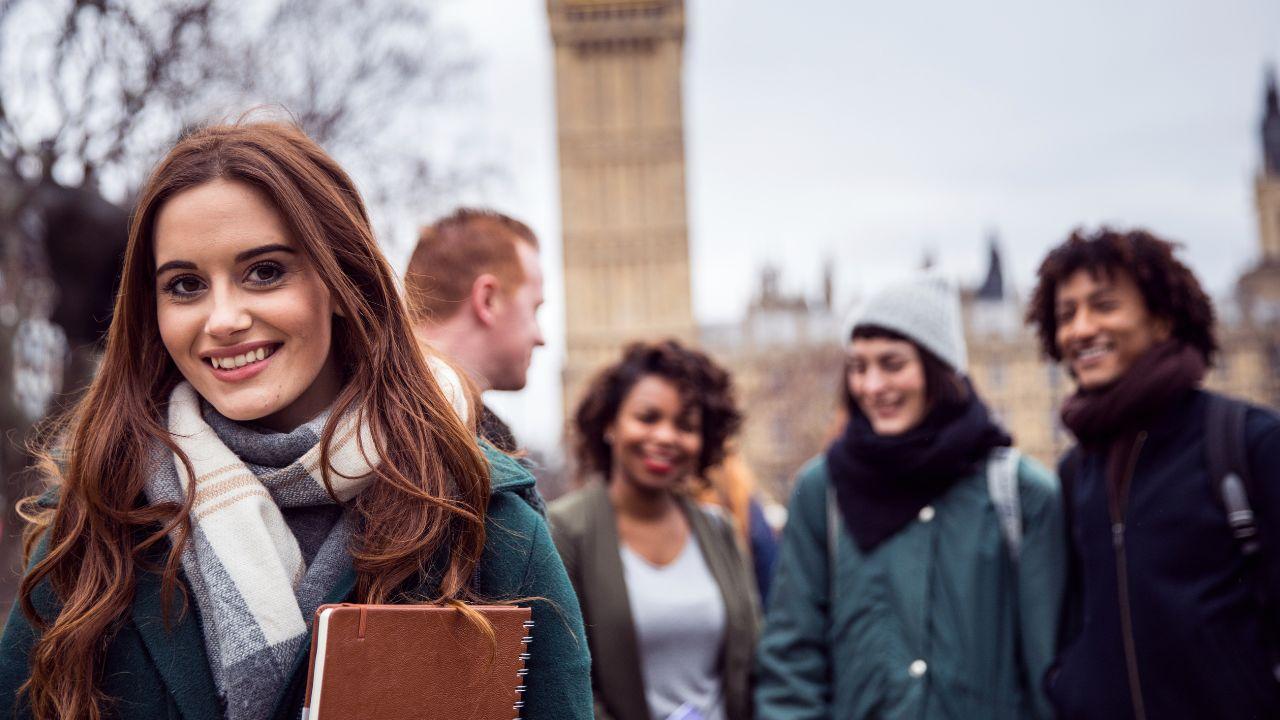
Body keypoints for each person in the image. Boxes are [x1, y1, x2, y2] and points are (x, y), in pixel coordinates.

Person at [0, 122, 591, 720]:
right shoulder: (92, 520)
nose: (223, 318)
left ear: (341, 281)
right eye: (185, 285)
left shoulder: (485, 517)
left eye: (264, 272)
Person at [756, 275, 1065, 720]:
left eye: (892, 364)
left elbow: (1050, 672)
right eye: (859, 367)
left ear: (939, 369)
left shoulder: (1020, 494)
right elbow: (791, 663)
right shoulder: (822, 492)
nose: (872, 385)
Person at [1026, 228, 1280, 720]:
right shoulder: (1076, 472)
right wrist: (1069, 684)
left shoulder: (1247, 442)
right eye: (1066, 314)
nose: (1081, 329)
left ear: (1162, 320)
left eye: (1103, 306)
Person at [548, 340, 759, 720]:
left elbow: (753, 662)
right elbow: (563, 681)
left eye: (685, 426)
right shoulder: (564, 531)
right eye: (648, 418)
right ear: (610, 423)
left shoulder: (720, 530)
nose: (665, 437)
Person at [404, 208, 545, 453]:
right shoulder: (449, 446)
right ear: (488, 300)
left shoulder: (352, 406)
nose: (541, 338)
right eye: (533, 309)